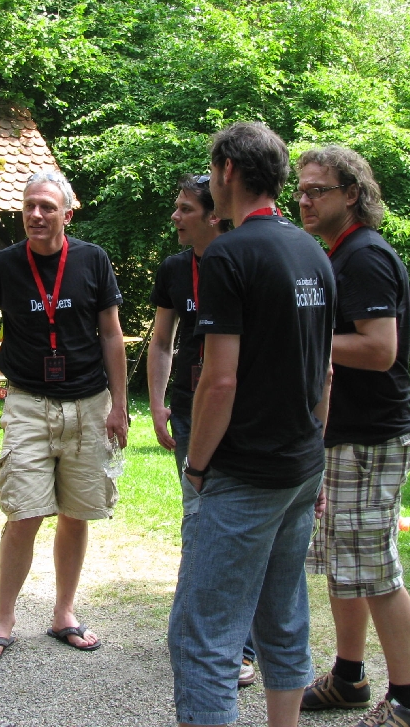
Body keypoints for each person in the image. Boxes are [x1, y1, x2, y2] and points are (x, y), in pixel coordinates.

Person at [168, 122, 334, 727]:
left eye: (213, 169)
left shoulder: (229, 253)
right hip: (300, 466)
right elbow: (324, 373)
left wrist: (197, 466)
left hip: (245, 473)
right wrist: (315, 456)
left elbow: (219, 381)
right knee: (281, 616)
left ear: (229, 171)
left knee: (203, 636)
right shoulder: (311, 250)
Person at [0, 169, 128, 663]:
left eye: (47, 207)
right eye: (29, 205)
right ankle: (3, 619)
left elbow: (111, 334)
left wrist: (119, 404)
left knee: (76, 514)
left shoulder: (92, 260)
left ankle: (63, 613)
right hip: (28, 404)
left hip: (89, 404)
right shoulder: (3, 265)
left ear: (67, 215)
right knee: (24, 514)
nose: (35, 214)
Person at [298, 146, 410, 727]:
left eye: (317, 190)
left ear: (351, 194)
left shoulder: (366, 256)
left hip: (373, 440)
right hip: (344, 438)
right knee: (342, 564)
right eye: (301, 190)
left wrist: (299, 339)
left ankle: (405, 702)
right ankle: (349, 678)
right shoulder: (339, 253)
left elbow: (379, 349)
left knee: (375, 570)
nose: (304, 200)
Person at [146, 174, 258, 688]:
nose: (175, 216)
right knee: (196, 517)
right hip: (189, 411)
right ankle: (200, 631)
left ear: (214, 215)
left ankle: (242, 645)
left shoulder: (242, 261)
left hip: (237, 411)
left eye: (185, 208)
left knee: (236, 521)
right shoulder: (174, 268)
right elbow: (161, 341)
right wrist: (157, 403)